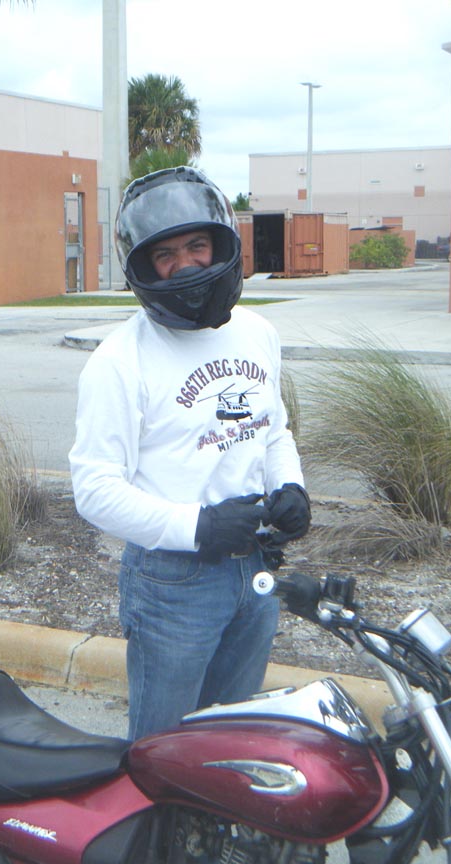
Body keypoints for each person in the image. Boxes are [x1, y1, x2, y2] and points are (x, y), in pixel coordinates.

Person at [68, 167, 310, 740]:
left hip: (255, 566)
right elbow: (94, 489)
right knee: (162, 749)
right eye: (166, 254)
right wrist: (197, 527)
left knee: (228, 737)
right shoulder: (119, 362)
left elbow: (272, 429)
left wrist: (290, 485)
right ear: (144, 267)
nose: (185, 265)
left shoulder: (257, 333)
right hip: (174, 583)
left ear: (221, 245)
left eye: (197, 245)